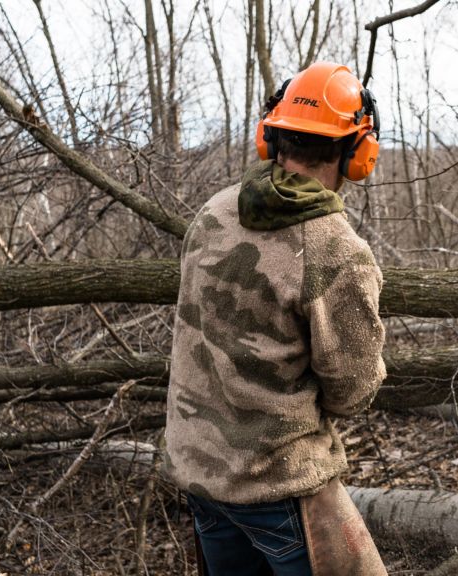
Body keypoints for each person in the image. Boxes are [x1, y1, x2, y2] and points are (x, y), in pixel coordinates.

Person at [163, 61, 388, 575]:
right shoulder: (336, 249)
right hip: (276, 482)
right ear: (357, 152)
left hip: (199, 470)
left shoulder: (214, 212)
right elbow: (352, 391)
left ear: (272, 136)